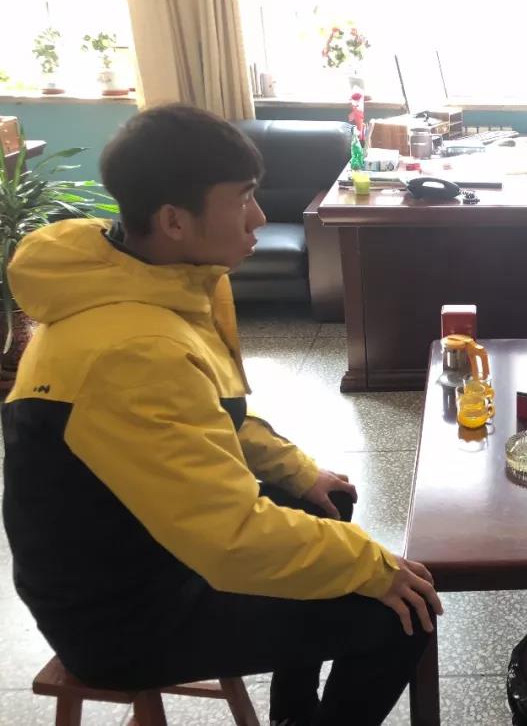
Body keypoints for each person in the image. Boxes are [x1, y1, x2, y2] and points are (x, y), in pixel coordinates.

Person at [1, 104, 442, 726]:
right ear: (174, 221)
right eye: (242, 199)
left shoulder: (140, 280)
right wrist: (374, 566)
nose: (258, 217)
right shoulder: (131, 349)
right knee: (403, 616)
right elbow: (229, 538)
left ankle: (293, 714)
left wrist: (299, 473)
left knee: (325, 504)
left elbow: (213, 414)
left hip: (144, 545)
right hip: (120, 616)